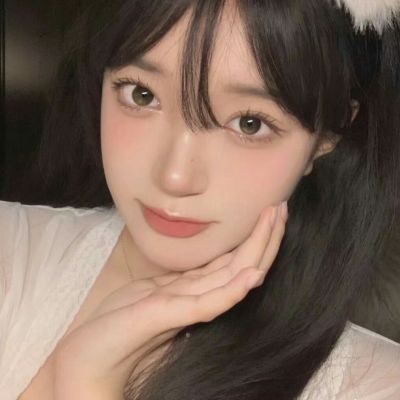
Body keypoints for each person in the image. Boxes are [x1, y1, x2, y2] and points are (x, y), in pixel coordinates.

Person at [1, 0, 400, 398]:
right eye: (142, 95)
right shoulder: (11, 251)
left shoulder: (377, 386)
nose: (175, 177)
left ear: (327, 135)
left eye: (250, 124)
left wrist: (87, 376)